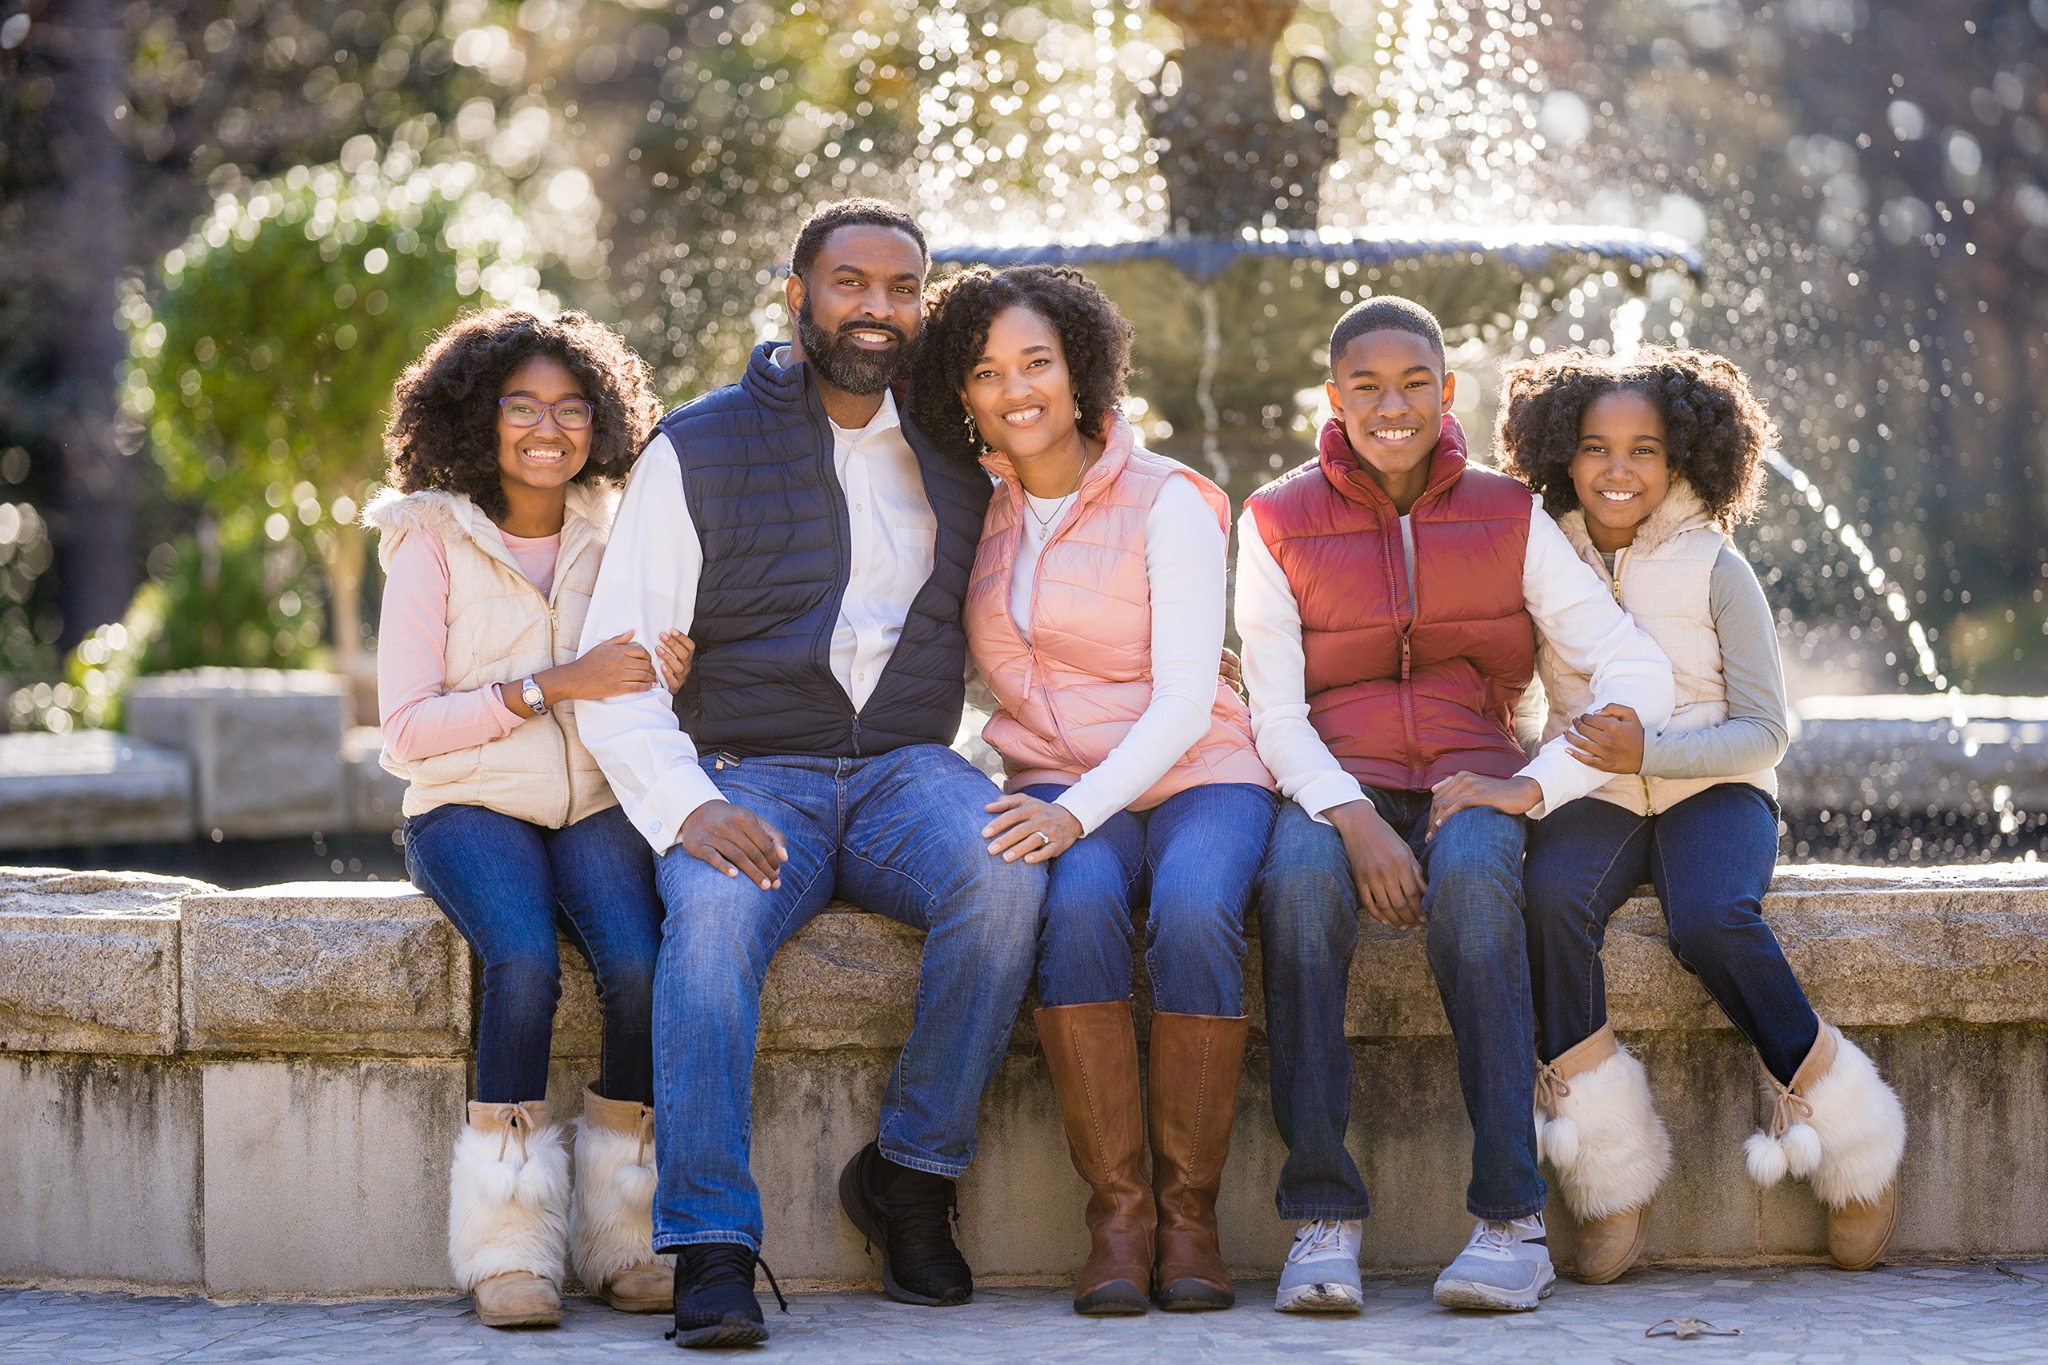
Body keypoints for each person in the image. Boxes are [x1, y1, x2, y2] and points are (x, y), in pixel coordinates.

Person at [574, 199, 1046, 1349]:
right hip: (749, 773)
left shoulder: (958, 450)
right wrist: (690, 804)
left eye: (899, 289)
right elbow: (628, 664)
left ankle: (909, 1175)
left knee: (1004, 875)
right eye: (850, 284)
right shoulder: (697, 446)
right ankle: (710, 1244)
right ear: (798, 295)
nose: (876, 310)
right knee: (710, 927)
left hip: (904, 771)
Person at [1236, 296, 1676, 1314]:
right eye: (1365, 386)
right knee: (1296, 900)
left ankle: (1509, 1221)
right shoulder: (1272, 517)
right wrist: (1345, 818)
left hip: (1467, 773)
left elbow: (1635, 668)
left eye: (1414, 384)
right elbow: (1273, 711)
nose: (1391, 406)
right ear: (1331, 392)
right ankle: (1322, 1216)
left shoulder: (1506, 512)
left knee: (1479, 898)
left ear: (1445, 390)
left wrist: (1534, 784)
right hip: (1326, 781)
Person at [1492, 345, 1905, 1281]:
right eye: (1595, 448)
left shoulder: (1719, 565)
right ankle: (1607, 1164)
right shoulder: (1540, 555)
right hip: (1593, 790)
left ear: (1683, 459)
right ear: (1562, 453)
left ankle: (1846, 1131)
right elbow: (1515, 690)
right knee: (1548, 900)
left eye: (1645, 448)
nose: (1618, 469)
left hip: (1714, 788)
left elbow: (1765, 729)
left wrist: (1657, 752)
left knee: (1712, 917)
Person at [912, 265, 1278, 1316]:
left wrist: (1071, 811)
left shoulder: (1168, 501)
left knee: (1198, 910)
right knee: (1071, 908)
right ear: (963, 394)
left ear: (1081, 373)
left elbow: (1176, 701)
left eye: (1036, 362)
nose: (1014, 388)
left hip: (1196, 769)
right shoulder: (976, 516)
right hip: (1058, 778)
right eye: (986, 373)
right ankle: (1117, 1216)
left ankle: (1189, 1218)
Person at [369, 308, 692, 1329]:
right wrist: (553, 684)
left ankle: (623, 1233)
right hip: (469, 801)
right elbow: (405, 732)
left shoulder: (620, 521)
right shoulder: (430, 539)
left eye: (570, 407)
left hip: (595, 798)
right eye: (522, 407)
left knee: (641, 964)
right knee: (523, 962)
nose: (547, 428)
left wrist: (673, 672)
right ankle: (508, 1249)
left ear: (600, 421)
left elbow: (647, 670)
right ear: (478, 417)